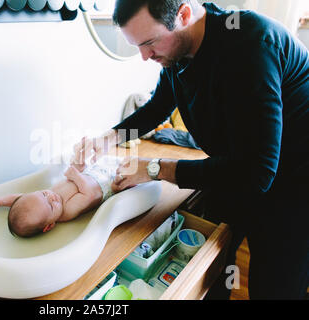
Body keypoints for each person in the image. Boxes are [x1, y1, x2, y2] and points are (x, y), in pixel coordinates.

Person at [73, 0, 308, 299]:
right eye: (137, 46)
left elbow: (257, 172)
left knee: (273, 287)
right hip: (238, 166)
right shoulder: (181, 50)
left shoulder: (250, 45)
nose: (145, 56)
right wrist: (108, 139)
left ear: (183, 14)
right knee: (217, 263)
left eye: (149, 43)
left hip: (295, 182)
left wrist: (157, 168)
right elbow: (158, 106)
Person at [0, 155, 123, 237]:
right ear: (49, 225)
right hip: (106, 182)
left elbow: (18, 199)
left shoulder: (41, 202)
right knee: (125, 168)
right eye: (51, 206)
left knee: (93, 154)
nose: (51, 197)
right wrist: (76, 175)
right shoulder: (68, 210)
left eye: (43, 194)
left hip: (88, 174)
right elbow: (90, 194)